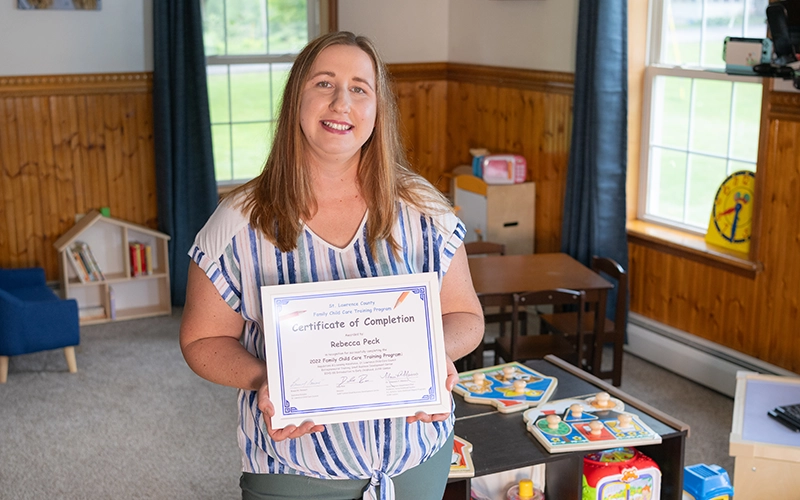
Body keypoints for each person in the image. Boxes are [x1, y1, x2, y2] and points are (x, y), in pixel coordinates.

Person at [179, 31, 484, 500]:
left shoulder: (426, 211)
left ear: (377, 109)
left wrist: (432, 355)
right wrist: (265, 379)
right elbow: (201, 340)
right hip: (295, 469)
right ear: (296, 99)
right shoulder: (238, 222)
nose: (342, 102)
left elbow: (465, 315)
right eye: (324, 83)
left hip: (416, 463)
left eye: (360, 88)